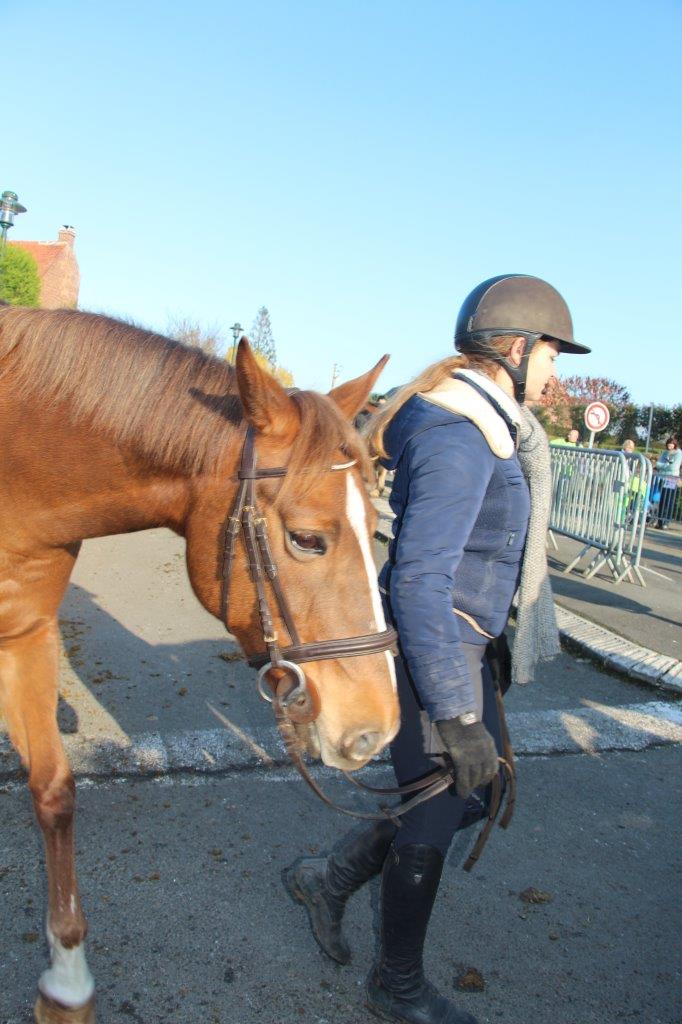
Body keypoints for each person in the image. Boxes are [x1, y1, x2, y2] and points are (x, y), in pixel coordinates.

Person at [284, 275, 590, 1024]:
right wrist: (455, 711)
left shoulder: (491, 421)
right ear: (516, 348)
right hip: (437, 646)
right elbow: (419, 577)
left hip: (463, 641)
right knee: (442, 802)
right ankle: (397, 982)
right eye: (552, 351)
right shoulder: (461, 434)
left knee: (475, 793)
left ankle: (332, 876)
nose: (555, 369)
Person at [654, 437, 681, 528]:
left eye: (671, 444)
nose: (670, 445)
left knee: (669, 500)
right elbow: (658, 464)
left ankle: (666, 521)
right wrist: (666, 465)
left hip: (671, 478)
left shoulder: (678, 453)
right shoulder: (665, 453)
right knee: (662, 500)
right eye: (668, 444)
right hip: (663, 478)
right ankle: (660, 521)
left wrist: (663, 466)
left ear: (674, 444)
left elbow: (674, 467)